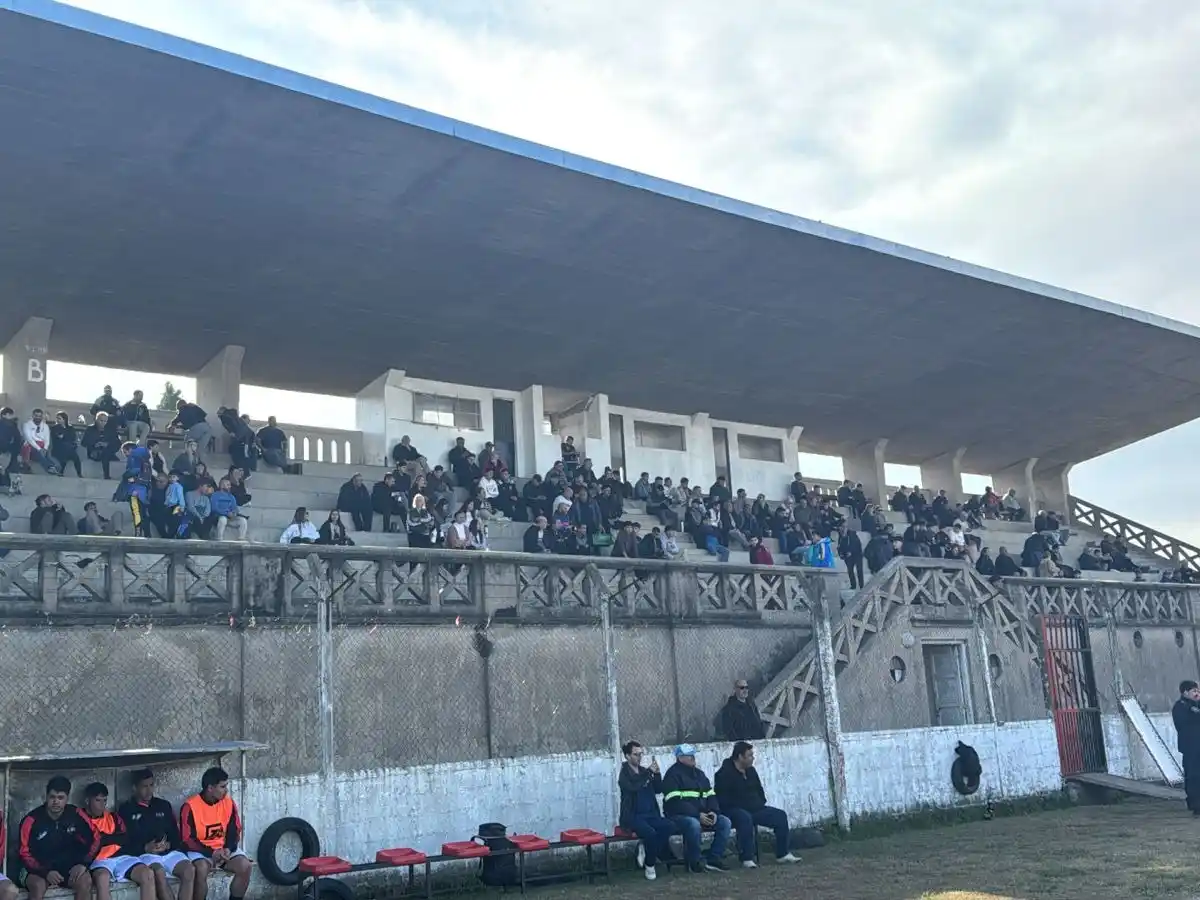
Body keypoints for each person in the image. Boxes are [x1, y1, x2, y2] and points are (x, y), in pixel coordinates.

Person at [714, 742, 800, 867]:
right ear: (740, 757)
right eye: (749, 756)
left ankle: (783, 854)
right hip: (733, 810)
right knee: (745, 818)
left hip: (755, 808)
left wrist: (759, 802)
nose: (753, 758)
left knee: (780, 816)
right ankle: (747, 858)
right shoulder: (723, 774)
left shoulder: (751, 771)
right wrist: (744, 805)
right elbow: (722, 799)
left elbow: (759, 790)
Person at [117, 768, 197, 900]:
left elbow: (176, 834)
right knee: (159, 873)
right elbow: (124, 842)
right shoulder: (126, 810)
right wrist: (145, 848)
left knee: (190, 870)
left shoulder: (163, 805)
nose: (149, 790)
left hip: (169, 852)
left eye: (151, 785)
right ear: (134, 788)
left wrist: (169, 844)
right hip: (145, 855)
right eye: (144, 786)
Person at [19, 776, 98, 900]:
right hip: (36, 869)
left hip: (67, 868)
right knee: (38, 886)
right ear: (46, 796)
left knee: (85, 881)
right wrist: (45, 872)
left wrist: (84, 864)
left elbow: (96, 838)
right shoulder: (31, 820)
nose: (56, 802)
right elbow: (24, 853)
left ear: (67, 798)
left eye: (60, 798)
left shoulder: (76, 814)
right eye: (52, 797)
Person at [180, 767, 253, 900]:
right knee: (201, 869)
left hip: (223, 849)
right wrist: (211, 853)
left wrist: (228, 849)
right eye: (222, 786)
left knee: (245, 866)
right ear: (210, 788)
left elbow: (235, 830)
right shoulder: (190, 806)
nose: (226, 790)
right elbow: (187, 839)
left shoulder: (228, 803)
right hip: (201, 850)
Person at [661, 744, 731, 873]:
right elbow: (675, 802)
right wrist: (697, 815)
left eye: (693, 755)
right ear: (680, 758)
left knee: (725, 822)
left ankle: (713, 858)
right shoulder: (672, 775)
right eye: (689, 755)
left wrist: (713, 812)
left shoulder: (700, 774)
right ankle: (695, 862)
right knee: (693, 825)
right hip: (678, 816)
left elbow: (710, 795)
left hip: (703, 814)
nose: (693, 758)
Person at [81, 782, 155, 900]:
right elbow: (90, 843)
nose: (102, 805)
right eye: (98, 800)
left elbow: (124, 838)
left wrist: (103, 838)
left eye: (104, 801)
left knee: (148, 874)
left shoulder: (113, 817)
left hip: (121, 857)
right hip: (99, 860)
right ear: (87, 801)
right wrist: (109, 838)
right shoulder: (81, 819)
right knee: (102, 879)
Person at [617, 741, 676, 881]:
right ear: (627, 756)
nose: (639, 757)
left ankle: (647, 849)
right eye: (635, 754)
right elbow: (633, 786)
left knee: (670, 826)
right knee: (650, 833)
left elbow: (658, 789)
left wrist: (656, 774)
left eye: (640, 754)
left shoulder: (645, 771)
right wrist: (649, 773)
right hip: (633, 816)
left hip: (650, 813)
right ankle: (650, 865)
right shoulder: (624, 774)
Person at [1172, 680, 1200, 816]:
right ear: (1185, 692)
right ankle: (1196, 805)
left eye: (1197, 691)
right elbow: (1183, 724)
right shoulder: (1180, 707)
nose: (1196, 693)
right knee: (1193, 776)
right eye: (1193, 691)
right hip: (1191, 747)